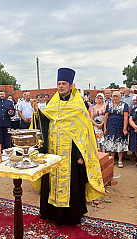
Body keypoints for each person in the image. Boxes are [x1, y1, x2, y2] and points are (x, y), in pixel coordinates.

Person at [31, 67, 104, 226]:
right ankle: (50, 213)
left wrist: (79, 155)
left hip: (70, 154)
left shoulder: (78, 106)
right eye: (58, 83)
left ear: (71, 85)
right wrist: (37, 112)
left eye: (64, 83)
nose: (61, 86)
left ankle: (70, 217)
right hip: (52, 152)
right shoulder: (53, 103)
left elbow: (83, 132)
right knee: (51, 182)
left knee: (72, 184)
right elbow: (45, 121)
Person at [103, 91, 129, 168]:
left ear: (120, 96)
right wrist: (105, 128)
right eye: (113, 96)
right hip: (110, 126)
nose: (115, 98)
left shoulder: (125, 105)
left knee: (120, 143)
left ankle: (120, 160)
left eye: (117, 96)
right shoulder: (109, 105)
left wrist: (125, 129)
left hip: (120, 127)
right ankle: (112, 159)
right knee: (111, 143)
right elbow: (106, 117)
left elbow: (126, 117)